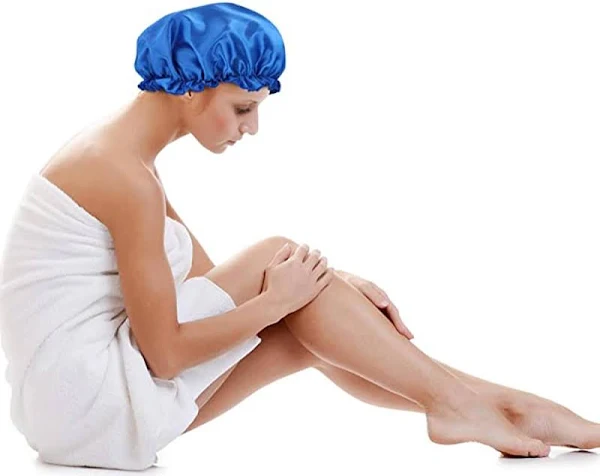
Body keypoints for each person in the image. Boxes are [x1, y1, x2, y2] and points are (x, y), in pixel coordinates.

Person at [0, 1, 598, 471]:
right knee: (276, 258)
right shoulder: (121, 176)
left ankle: (506, 406)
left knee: (308, 320)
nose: (252, 128)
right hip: (88, 405)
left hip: (72, 412)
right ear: (190, 88)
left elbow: (205, 285)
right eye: (242, 108)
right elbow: (167, 353)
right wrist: (280, 298)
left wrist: (323, 287)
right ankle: (464, 406)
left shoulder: (127, 160)